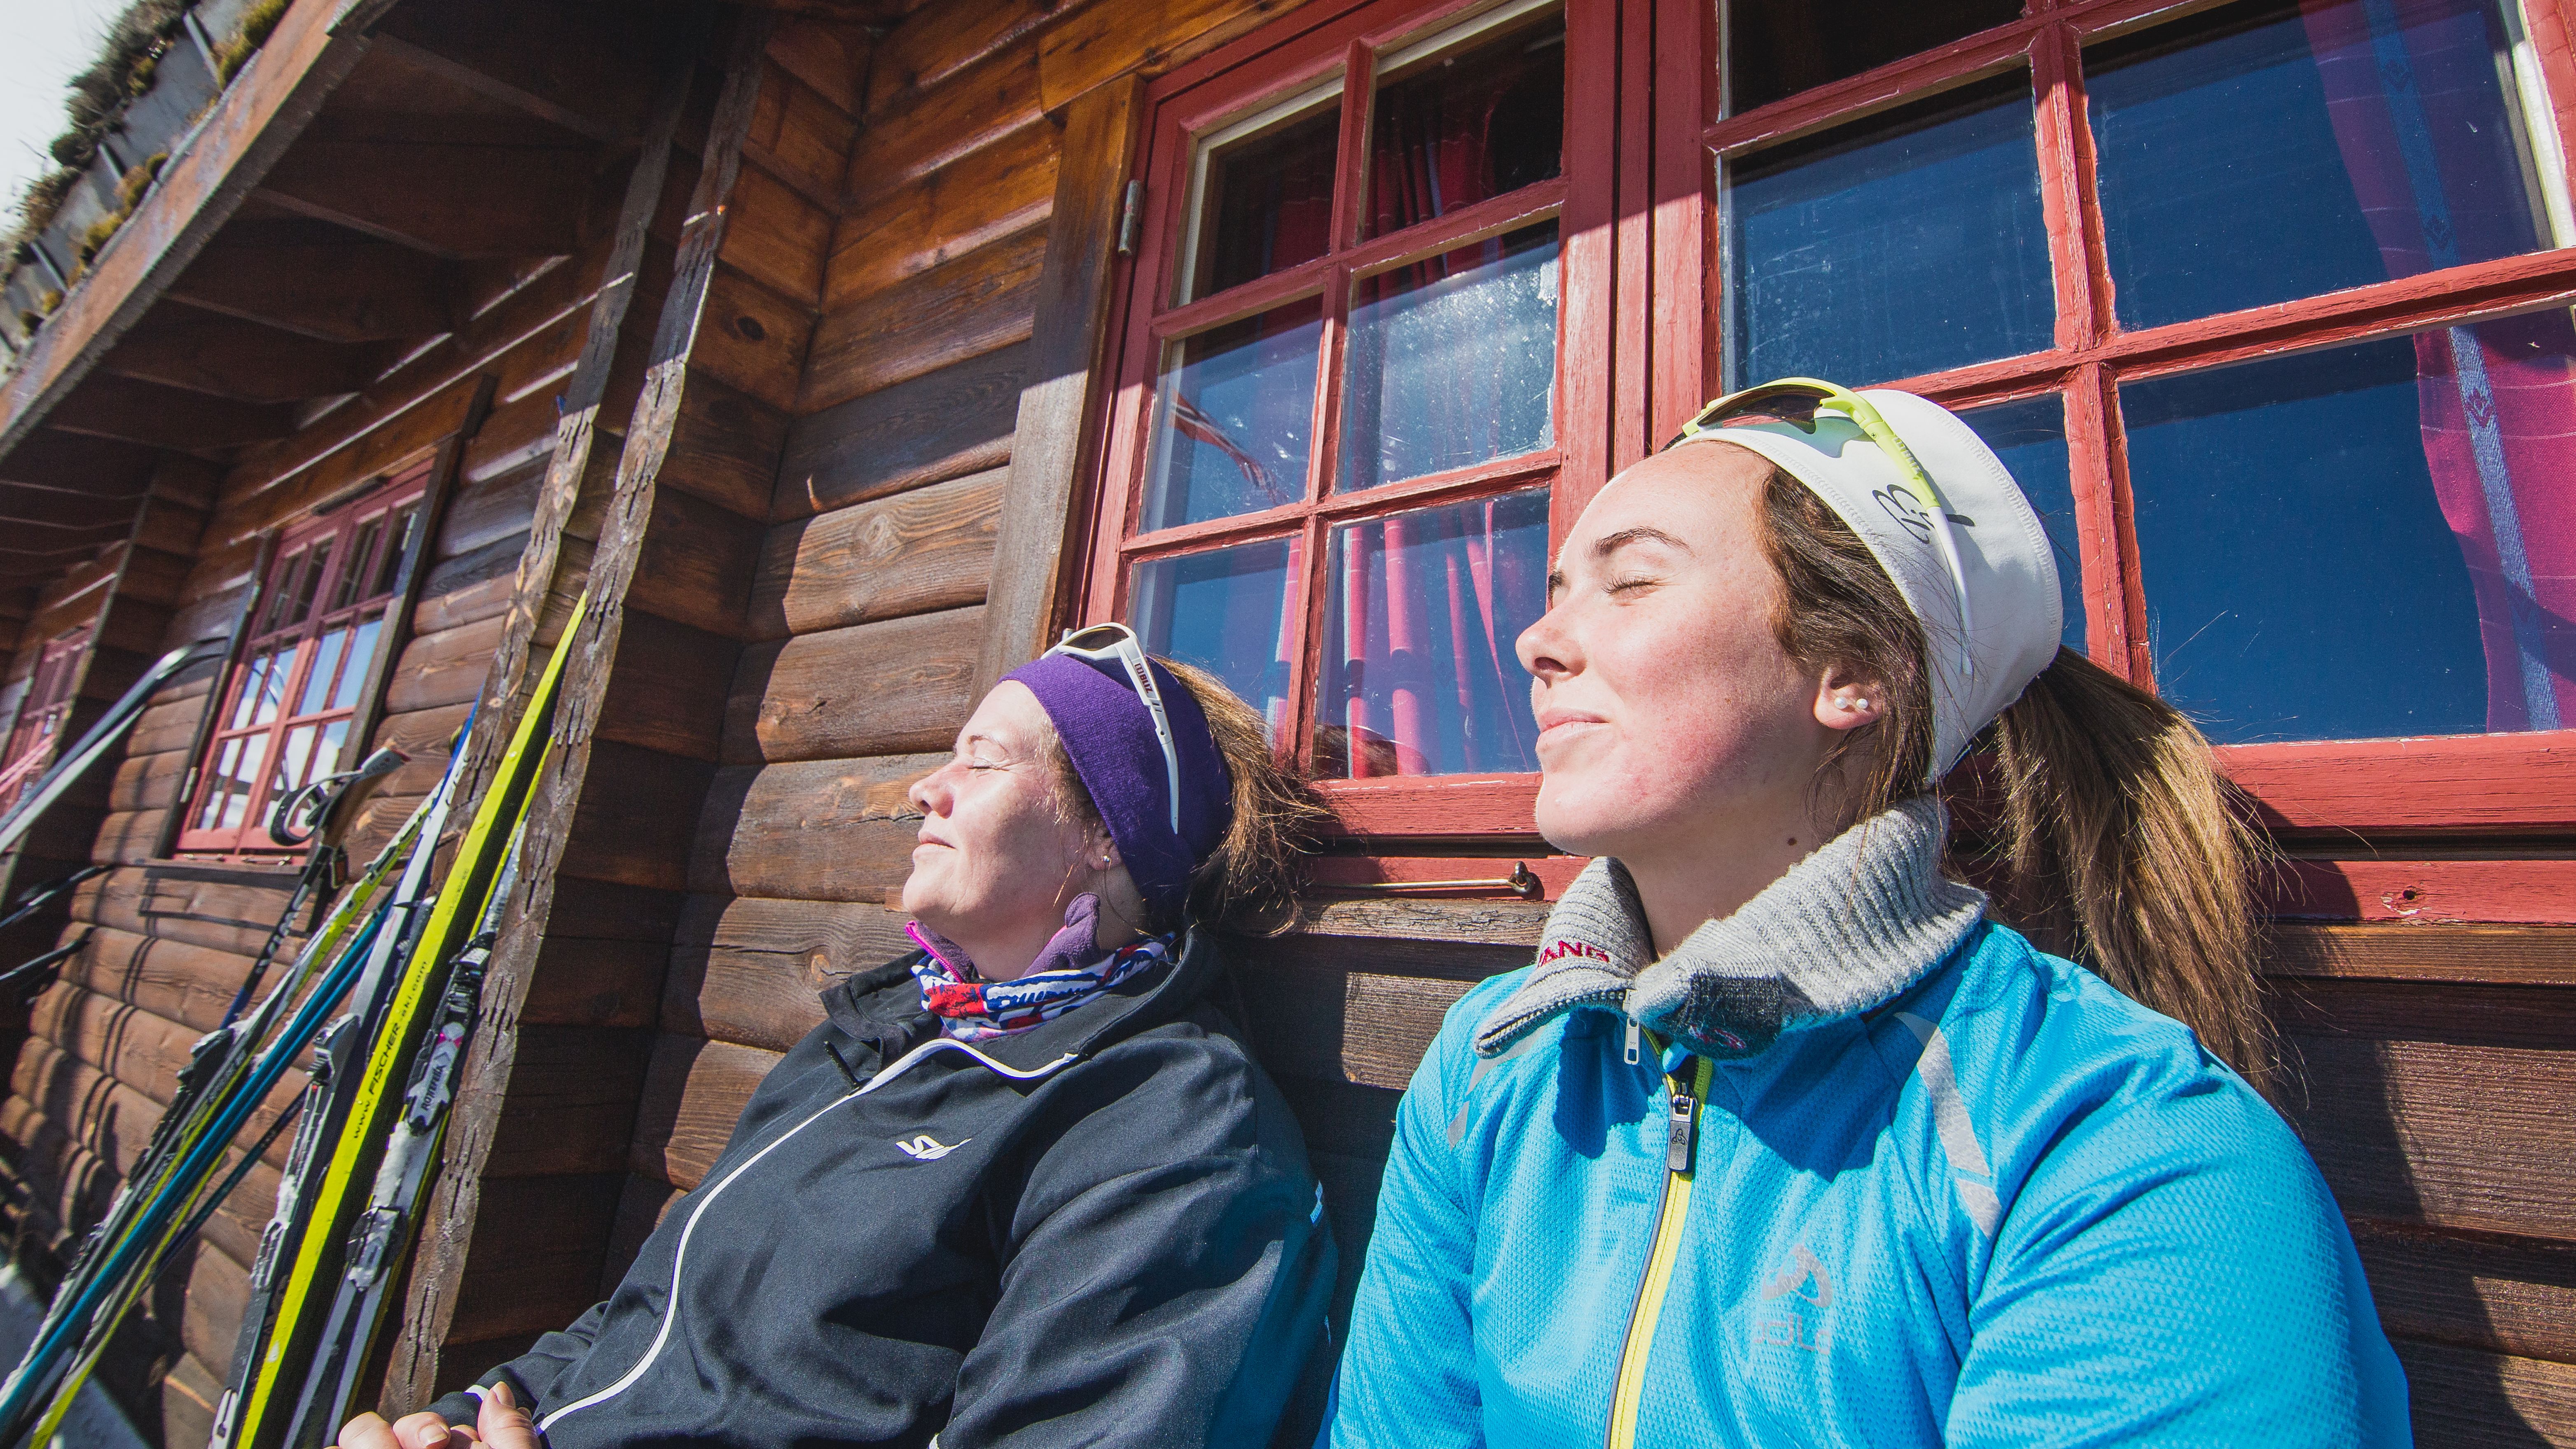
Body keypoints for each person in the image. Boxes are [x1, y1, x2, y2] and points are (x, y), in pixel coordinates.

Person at [1327, 381, 2411, 1446]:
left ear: (1852, 671)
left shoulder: (2120, 1146)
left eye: (1632, 581)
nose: (1535, 640)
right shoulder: (1490, 1059)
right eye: (1559, 589)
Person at [338, 625, 1335, 1449]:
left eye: (983, 759)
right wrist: (472, 1414)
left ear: (1109, 829)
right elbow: (649, 1324)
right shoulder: (877, 1038)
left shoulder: (1169, 1127)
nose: (926, 788)